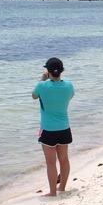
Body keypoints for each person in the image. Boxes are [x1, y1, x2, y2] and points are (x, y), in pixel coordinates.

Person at [32, 57, 75, 197]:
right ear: (62, 71)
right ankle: (61, 187)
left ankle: (52, 192)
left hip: (47, 129)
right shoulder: (69, 86)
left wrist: (42, 78)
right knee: (64, 159)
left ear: (48, 71)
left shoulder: (42, 86)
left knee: (51, 163)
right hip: (64, 128)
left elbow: (34, 96)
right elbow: (70, 96)